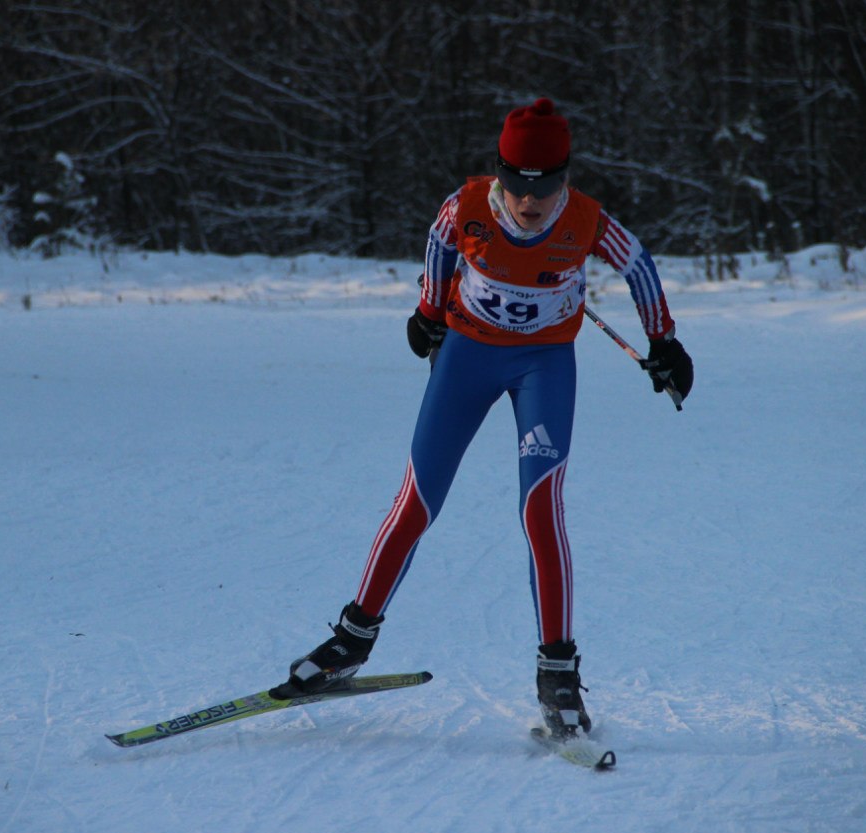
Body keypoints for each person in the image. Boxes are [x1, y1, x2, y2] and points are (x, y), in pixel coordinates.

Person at [281, 98, 693, 741]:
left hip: (543, 367)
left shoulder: (584, 219)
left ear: (565, 177)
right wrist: (427, 312)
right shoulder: (467, 205)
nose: (531, 202)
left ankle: (558, 671)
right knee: (416, 499)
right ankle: (350, 642)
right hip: (468, 357)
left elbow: (638, 263)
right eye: (519, 185)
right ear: (500, 173)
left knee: (540, 508)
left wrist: (663, 342)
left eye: (547, 186)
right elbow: (439, 243)